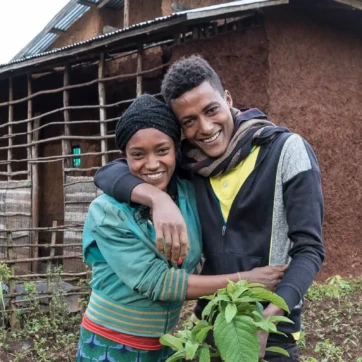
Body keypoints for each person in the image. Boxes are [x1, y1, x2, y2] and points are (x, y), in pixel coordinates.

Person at [93, 56, 325, 361]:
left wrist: (270, 315)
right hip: (210, 327)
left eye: (211, 110)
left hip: (271, 331)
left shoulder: (286, 151)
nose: (205, 128)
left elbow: (309, 249)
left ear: (227, 99)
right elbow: (110, 172)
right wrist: (157, 198)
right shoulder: (190, 167)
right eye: (189, 121)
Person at [77, 94, 285, 362]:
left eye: (162, 150)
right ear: (124, 157)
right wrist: (248, 279)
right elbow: (158, 282)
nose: (152, 164)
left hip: (167, 344)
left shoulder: (188, 192)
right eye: (137, 154)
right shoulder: (108, 211)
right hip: (111, 344)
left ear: (177, 149)